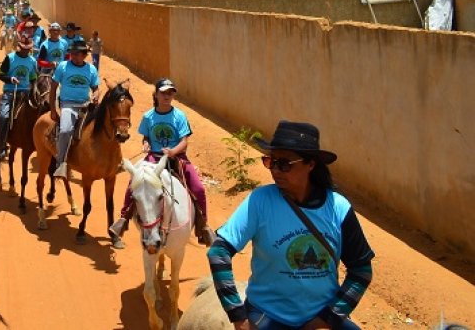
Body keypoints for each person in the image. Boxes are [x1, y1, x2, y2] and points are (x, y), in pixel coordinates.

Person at [209, 121, 374, 330]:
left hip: (321, 317)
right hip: (268, 317)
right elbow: (218, 252)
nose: (275, 170)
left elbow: (361, 271)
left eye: (285, 164)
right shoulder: (260, 201)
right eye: (271, 162)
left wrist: (327, 319)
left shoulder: (338, 208)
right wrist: (239, 317)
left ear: (311, 165)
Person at [110, 78, 215, 246]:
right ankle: (123, 219)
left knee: (199, 188)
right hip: (154, 157)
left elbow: (184, 141)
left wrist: (173, 151)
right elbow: (146, 136)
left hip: (177, 158)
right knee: (134, 182)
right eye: (163, 93)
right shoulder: (148, 116)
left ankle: (203, 227)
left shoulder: (179, 115)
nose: (167, 96)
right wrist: (146, 143)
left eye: (170, 93)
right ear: (156, 95)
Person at [49, 41, 100, 179]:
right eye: (72, 53)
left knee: (105, 123)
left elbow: (95, 88)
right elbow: (53, 87)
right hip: (68, 105)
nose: (73, 55)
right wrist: (53, 109)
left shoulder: (91, 69)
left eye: (77, 53)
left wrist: (96, 96)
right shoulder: (63, 66)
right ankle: (60, 164)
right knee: (65, 130)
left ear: (84, 55)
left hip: (86, 105)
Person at [0, 38, 38, 160]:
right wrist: (10, 79)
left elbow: (33, 77)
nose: (26, 51)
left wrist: (34, 87)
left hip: (27, 92)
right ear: (19, 47)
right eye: (24, 48)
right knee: (3, 116)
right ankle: (2, 146)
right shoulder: (10, 58)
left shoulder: (32, 60)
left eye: (28, 49)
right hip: (10, 91)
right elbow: (0, 74)